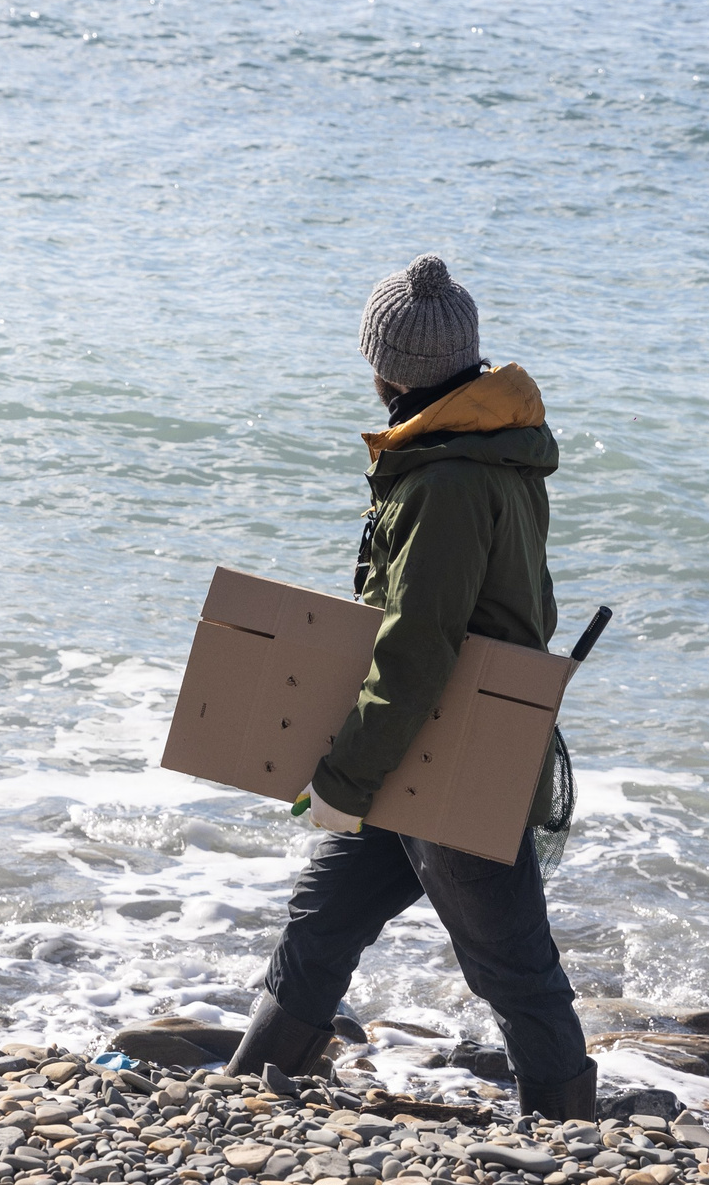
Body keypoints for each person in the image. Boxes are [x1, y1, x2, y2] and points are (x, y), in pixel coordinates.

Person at [223, 254, 597, 1121]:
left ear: (388, 367)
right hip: (412, 745)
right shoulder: (472, 448)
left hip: (457, 747)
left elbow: (420, 647)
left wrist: (343, 779)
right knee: (320, 920)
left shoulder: (449, 479)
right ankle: (249, 1090)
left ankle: (572, 1127)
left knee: (509, 961)